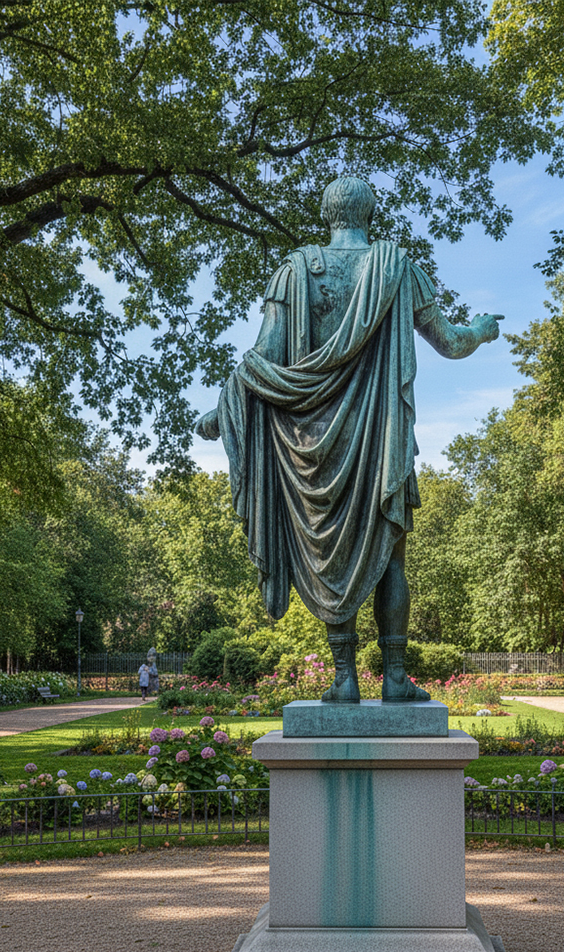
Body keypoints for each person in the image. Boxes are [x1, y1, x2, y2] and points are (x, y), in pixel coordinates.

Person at [195, 177, 501, 703]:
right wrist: (481, 329)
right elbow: (450, 342)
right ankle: (397, 678)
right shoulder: (398, 267)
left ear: (327, 214)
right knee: (393, 558)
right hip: (382, 443)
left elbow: (264, 358)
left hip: (314, 446)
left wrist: (224, 411)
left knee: (328, 557)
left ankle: (344, 678)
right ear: (369, 212)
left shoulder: (295, 272)